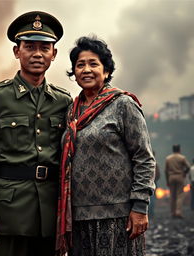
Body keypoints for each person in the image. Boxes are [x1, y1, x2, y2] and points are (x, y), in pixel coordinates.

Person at [0, 11, 72, 256]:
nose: (37, 54)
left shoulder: (64, 102)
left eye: (45, 48)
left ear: (54, 54)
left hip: (50, 217)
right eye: (29, 46)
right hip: (6, 217)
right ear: (17, 51)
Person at [56, 36, 156, 256]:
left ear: (107, 71)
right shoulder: (71, 111)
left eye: (93, 64)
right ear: (74, 73)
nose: (86, 70)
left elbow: (144, 158)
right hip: (79, 216)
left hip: (118, 216)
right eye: (80, 65)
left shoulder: (123, 105)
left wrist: (140, 207)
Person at [165, 144, 190, 218]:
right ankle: (178, 211)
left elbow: (166, 170)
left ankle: (173, 212)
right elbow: (188, 167)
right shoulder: (182, 158)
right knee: (179, 195)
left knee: (172, 195)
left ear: (173, 150)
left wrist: (167, 180)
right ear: (179, 149)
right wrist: (184, 173)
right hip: (180, 176)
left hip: (171, 177)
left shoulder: (168, 158)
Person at [148, 151, 160, 219]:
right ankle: (151, 213)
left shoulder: (145, 162)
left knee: (147, 197)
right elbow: (158, 174)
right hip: (154, 182)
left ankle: (148, 212)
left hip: (146, 182)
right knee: (152, 198)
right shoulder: (155, 163)